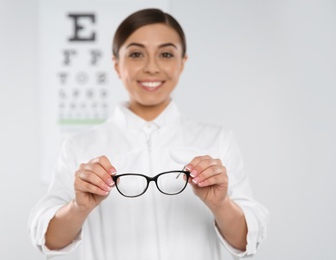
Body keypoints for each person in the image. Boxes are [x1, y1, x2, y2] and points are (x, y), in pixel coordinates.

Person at [29, 8, 269, 260]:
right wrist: (78, 208)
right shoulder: (79, 146)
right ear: (116, 65)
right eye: (136, 54)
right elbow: (48, 239)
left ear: (182, 62)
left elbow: (246, 240)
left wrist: (221, 204)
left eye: (165, 54)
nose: (151, 67)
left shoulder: (217, 141)